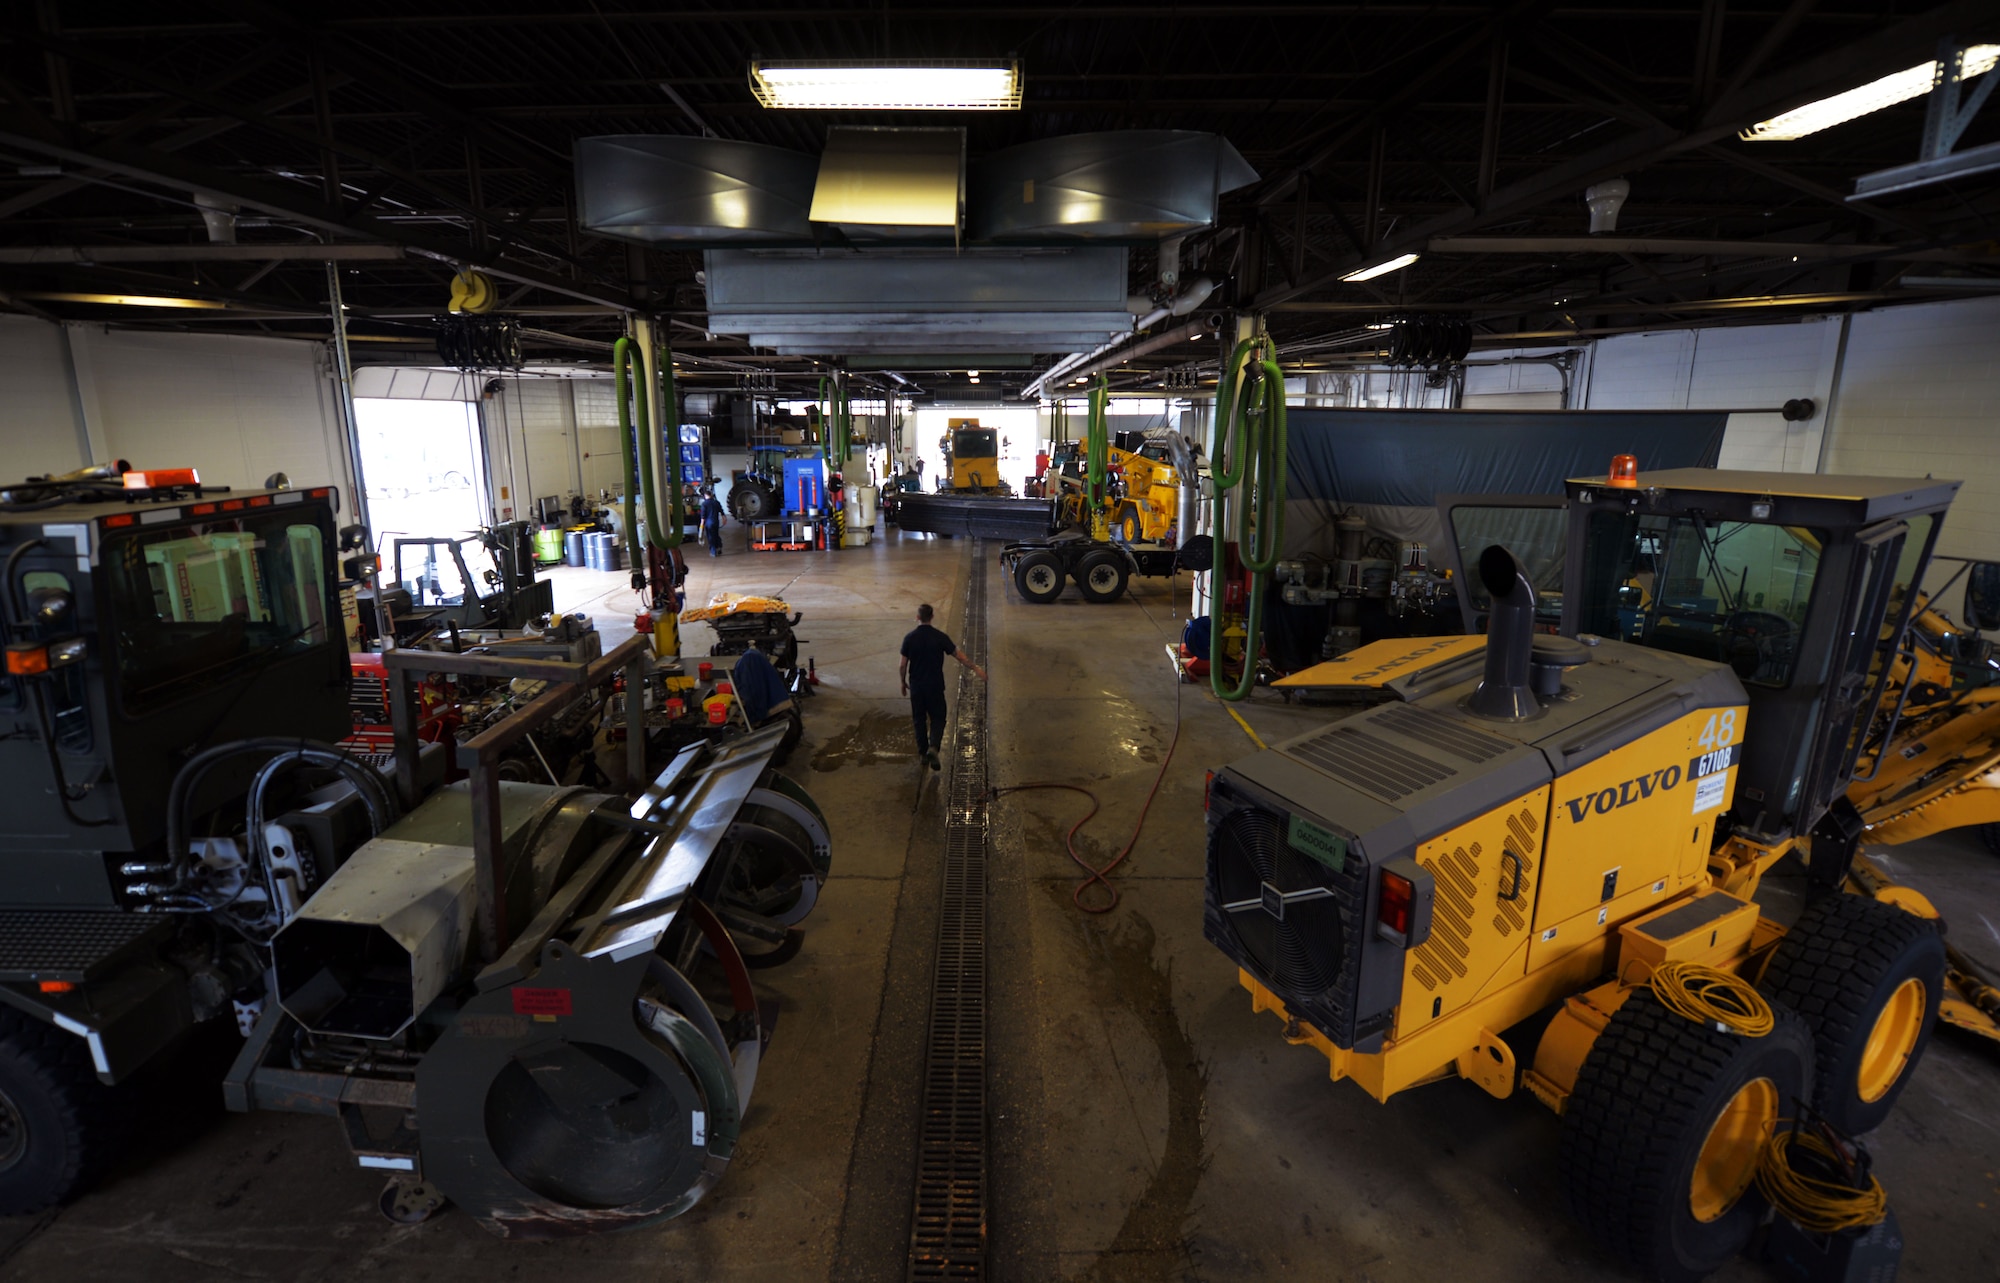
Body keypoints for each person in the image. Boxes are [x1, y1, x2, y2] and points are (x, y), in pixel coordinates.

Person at [899, 602, 985, 770]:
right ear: (932, 617)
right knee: (938, 718)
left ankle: (923, 754)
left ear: (917, 617)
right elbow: (959, 656)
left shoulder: (909, 638)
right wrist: (975, 668)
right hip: (935, 686)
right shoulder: (940, 637)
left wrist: (903, 682)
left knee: (919, 719)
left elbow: (902, 665)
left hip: (917, 687)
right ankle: (934, 746)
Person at [700, 486, 725, 557]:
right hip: (716, 522)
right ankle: (719, 547)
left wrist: (701, 526)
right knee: (716, 535)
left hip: (709, 523)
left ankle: (713, 552)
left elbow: (703, 516)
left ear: (705, 496)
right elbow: (722, 512)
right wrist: (724, 519)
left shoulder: (704, 504)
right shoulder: (716, 502)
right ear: (711, 495)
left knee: (711, 537)